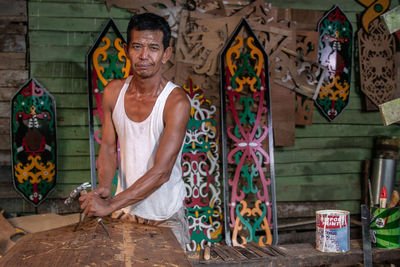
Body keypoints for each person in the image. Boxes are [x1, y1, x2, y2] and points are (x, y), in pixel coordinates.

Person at [79, 13, 190, 249]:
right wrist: (104, 188)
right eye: (137, 46)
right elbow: (108, 148)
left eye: (153, 48)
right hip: (124, 214)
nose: (144, 56)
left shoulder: (175, 101)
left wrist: (111, 204)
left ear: (166, 54)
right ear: (126, 50)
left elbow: (162, 172)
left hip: (165, 216)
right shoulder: (113, 93)